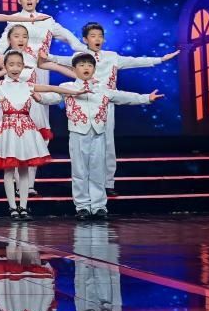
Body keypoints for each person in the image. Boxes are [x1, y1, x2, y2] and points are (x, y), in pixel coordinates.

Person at [45, 22, 177, 196]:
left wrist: (160, 60)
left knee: (107, 145)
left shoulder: (112, 57)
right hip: (83, 104)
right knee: (83, 148)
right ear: (85, 39)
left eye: (100, 36)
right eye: (93, 36)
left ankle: (108, 183)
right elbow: (57, 60)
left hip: (106, 102)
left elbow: (135, 61)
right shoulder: (80, 57)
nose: (97, 39)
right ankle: (85, 188)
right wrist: (45, 56)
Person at [0, 51, 81, 219]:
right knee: (9, 171)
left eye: (19, 65)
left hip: (26, 132)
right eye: (11, 64)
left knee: (24, 170)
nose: (15, 68)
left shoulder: (28, 86)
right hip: (8, 132)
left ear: (23, 67)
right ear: (5, 67)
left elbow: (52, 88)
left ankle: (24, 207)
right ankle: (12, 207)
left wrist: (76, 92)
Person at [40, 53, 163, 220]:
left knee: (98, 170)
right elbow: (52, 97)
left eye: (89, 65)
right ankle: (82, 206)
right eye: (82, 65)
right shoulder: (67, 87)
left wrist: (146, 98)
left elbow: (124, 97)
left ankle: (99, 206)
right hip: (78, 134)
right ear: (74, 69)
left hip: (98, 134)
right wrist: (38, 97)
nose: (86, 68)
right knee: (79, 171)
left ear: (94, 69)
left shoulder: (103, 89)